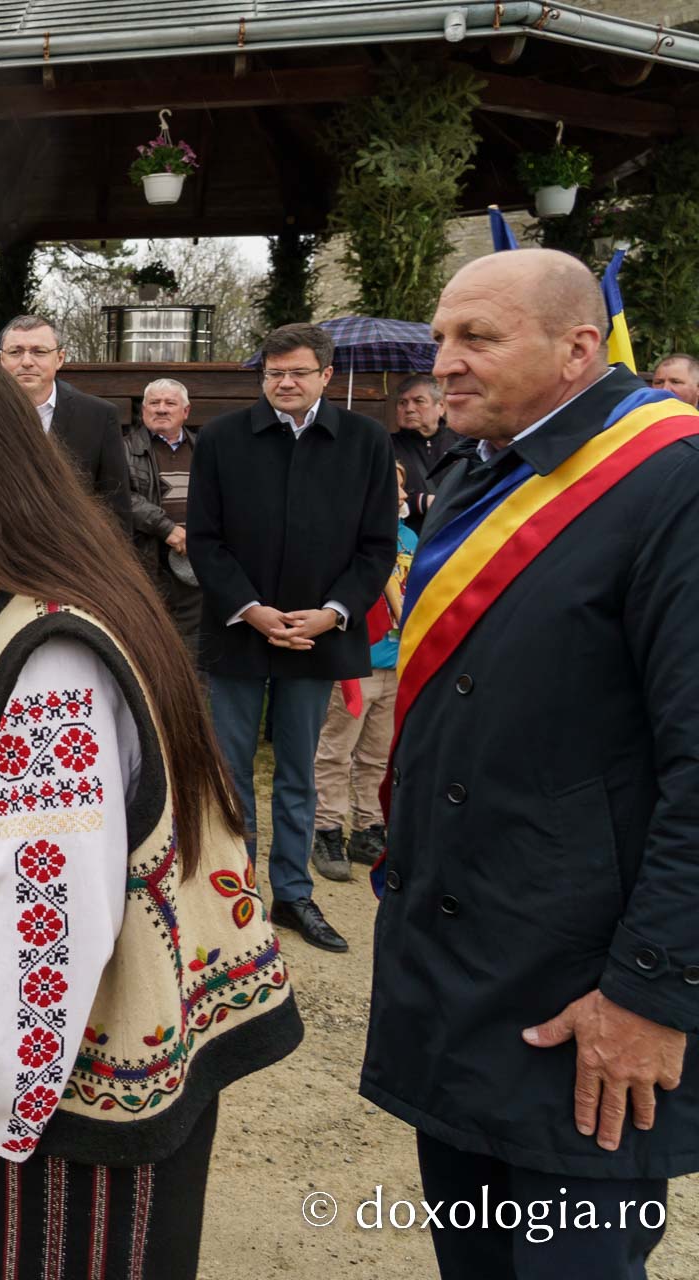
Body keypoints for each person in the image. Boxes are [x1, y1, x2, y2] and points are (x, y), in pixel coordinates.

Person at [0, 342, 301, 1279]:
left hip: (82, 1119)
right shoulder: (53, 606)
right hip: (88, 1090)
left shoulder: (51, 662)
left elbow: (50, 927)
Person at [363, 247, 699, 1280]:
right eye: (440, 338)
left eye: (477, 338)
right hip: (457, 968)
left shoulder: (671, 482)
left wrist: (649, 994)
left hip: (581, 987)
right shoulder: (477, 461)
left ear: (577, 349)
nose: (443, 363)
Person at [186, 322, 396, 955]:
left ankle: (293, 893)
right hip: (240, 632)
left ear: (326, 375)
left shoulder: (365, 442)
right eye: (274, 372)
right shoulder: (223, 438)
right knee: (230, 771)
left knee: (300, 772)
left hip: (318, 636)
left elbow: (377, 545)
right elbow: (204, 541)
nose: (284, 382)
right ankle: (235, 893)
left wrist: (333, 613)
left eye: (298, 372)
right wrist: (250, 608)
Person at [309, 462, 415, 882]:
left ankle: (367, 827)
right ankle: (326, 828)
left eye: (404, 491)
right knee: (336, 750)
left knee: (377, 755)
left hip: (396, 660)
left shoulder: (408, 538)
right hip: (357, 662)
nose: (404, 499)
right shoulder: (346, 542)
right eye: (396, 491)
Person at [0, 313, 132, 529]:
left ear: (59, 358)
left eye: (39, 352)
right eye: (16, 352)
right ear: (2, 360)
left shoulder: (98, 416)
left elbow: (115, 506)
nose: (27, 362)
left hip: (74, 555)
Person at [123, 377, 200, 658]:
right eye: (154, 403)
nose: (162, 409)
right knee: (147, 646)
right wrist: (166, 528)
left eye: (170, 403)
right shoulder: (124, 450)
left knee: (192, 650)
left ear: (186, 411)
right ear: (144, 411)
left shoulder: (204, 449)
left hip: (196, 567)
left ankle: (190, 701)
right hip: (147, 562)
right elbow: (120, 495)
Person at [390, 374, 466, 533]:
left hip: (457, 536)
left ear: (441, 407)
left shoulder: (464, 445)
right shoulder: (386, 446)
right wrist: (422, 502)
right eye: (402, 403)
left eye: (419, 401)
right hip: (408, 541)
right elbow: (378, 497)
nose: (409, 409)